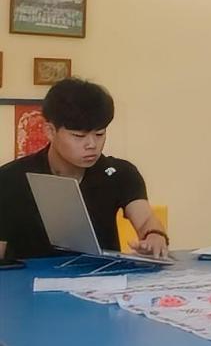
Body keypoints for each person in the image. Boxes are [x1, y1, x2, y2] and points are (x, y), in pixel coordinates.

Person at [0, 78, 169, 260]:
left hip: (101, 275)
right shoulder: (10, 178)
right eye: (79, 136)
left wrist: (154, 236)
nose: (92, 145)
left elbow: (145, 220)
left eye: (99, 134)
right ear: (50, 131)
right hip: (27, 277)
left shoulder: (120, 174)